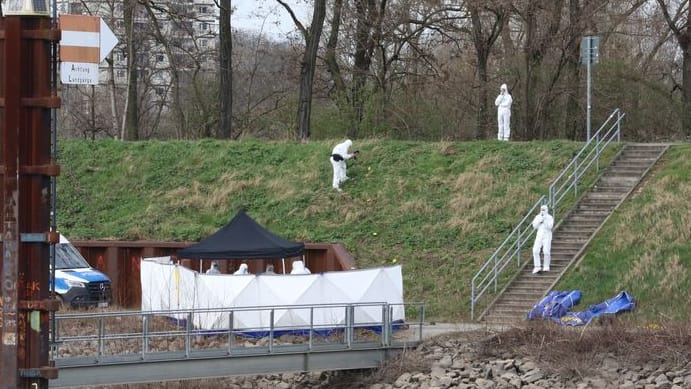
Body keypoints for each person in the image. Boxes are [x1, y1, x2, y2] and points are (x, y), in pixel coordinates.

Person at [532, 204, 554, 274]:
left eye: (544, 209)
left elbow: (550, 227)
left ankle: (546, 266)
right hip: (539, 235)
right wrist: (539, 221)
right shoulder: (538, 217)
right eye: (542, 209)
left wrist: (544, 220)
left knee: (546, 251)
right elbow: (534, 226)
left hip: (547, 235)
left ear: (547, 210)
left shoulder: (550, 217)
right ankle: (537, 266)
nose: (543, 211)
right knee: (535, 250)